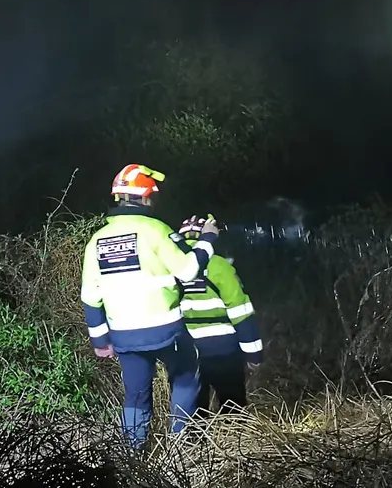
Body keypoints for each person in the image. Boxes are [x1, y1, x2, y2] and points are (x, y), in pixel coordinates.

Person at [79, 163, 220, 448]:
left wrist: (100, 342)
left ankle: (134, 454)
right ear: (145, 197)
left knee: (135, 394)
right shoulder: (156, 230)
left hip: (124, 335)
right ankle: (180, 446)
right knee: (185, 377)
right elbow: (188, 270)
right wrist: (207, 239)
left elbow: (90, 297)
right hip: (165, 331)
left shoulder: (96, 240)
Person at [172, 214, 264, 413]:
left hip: (187, 351)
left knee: (195, 409)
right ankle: (234, 440)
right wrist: (253, 354)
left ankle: (194, 442)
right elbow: (241, 312)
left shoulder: (171, 268)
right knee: (233, 405)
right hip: (224, 350)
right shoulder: (219, 266)